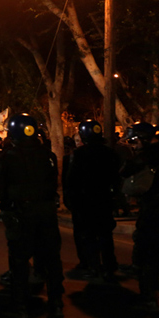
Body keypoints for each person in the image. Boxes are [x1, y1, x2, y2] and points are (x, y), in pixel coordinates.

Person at [0, 114, 64, 318]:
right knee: (52, 260)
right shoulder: (48, 155)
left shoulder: (6, 158)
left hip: (21, 216)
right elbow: (54, 183)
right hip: (47, 214)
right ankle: (56, 302)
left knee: (20, 262)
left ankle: (20, 305)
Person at [64, 120, 121, 280]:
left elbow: (71, 180)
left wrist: (71, 200)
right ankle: (109, 265)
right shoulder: (110, 153)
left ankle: (93, 265)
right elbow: (116, 178)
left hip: (85, 202)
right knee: (105, 235)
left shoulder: (79, 155)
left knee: (88, 235)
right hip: (104, 201)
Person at [121, 122, 159, 312]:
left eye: (134, 140)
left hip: (156, 210)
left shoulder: (150, 155)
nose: (133, 144)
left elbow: (125, 172)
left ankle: (148, 297)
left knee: (150, 252)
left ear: (145, 138)